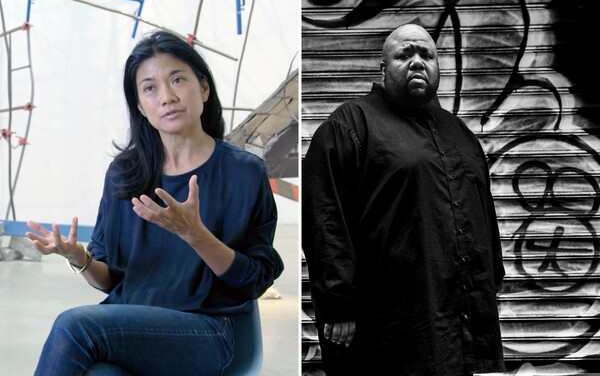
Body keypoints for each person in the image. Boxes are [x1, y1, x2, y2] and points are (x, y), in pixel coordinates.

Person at [25, 29, 284, 376]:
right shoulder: (124, 174)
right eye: (150, 88)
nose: (167, 97)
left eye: (177, 80)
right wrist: (79, 258)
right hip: (137, 328)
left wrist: (196, 235)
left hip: (212, 332)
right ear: (140, 106)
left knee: (75, 326)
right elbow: (110, 280)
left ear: (203, 88)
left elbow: (255, 279)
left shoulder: (243, 172)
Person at [302, 23, 505, 375]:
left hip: (467, 322)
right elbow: (324, 216)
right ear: (383, 69)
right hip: (390, 323)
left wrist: (491, 285)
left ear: (438, 67)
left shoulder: (460, 134)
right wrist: (338, 304)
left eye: (426, 54)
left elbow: (484, 216)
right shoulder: (351, 125)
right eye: (404, 54)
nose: (416, 62)